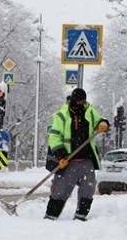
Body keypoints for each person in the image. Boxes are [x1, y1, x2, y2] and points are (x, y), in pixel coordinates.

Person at [44, 88, 109, 221]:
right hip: (68, 161)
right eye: (78, 101)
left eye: (83, 101)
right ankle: (51, 216)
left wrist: (103, 124)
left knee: (88, 189)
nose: (81, 104)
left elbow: (100, 121)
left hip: (86, 160)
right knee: (60, 191)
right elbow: (54, 138)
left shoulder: (90, 112)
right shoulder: (62, 115)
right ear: (72, 101)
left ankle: (81, 216)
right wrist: (61, 156)